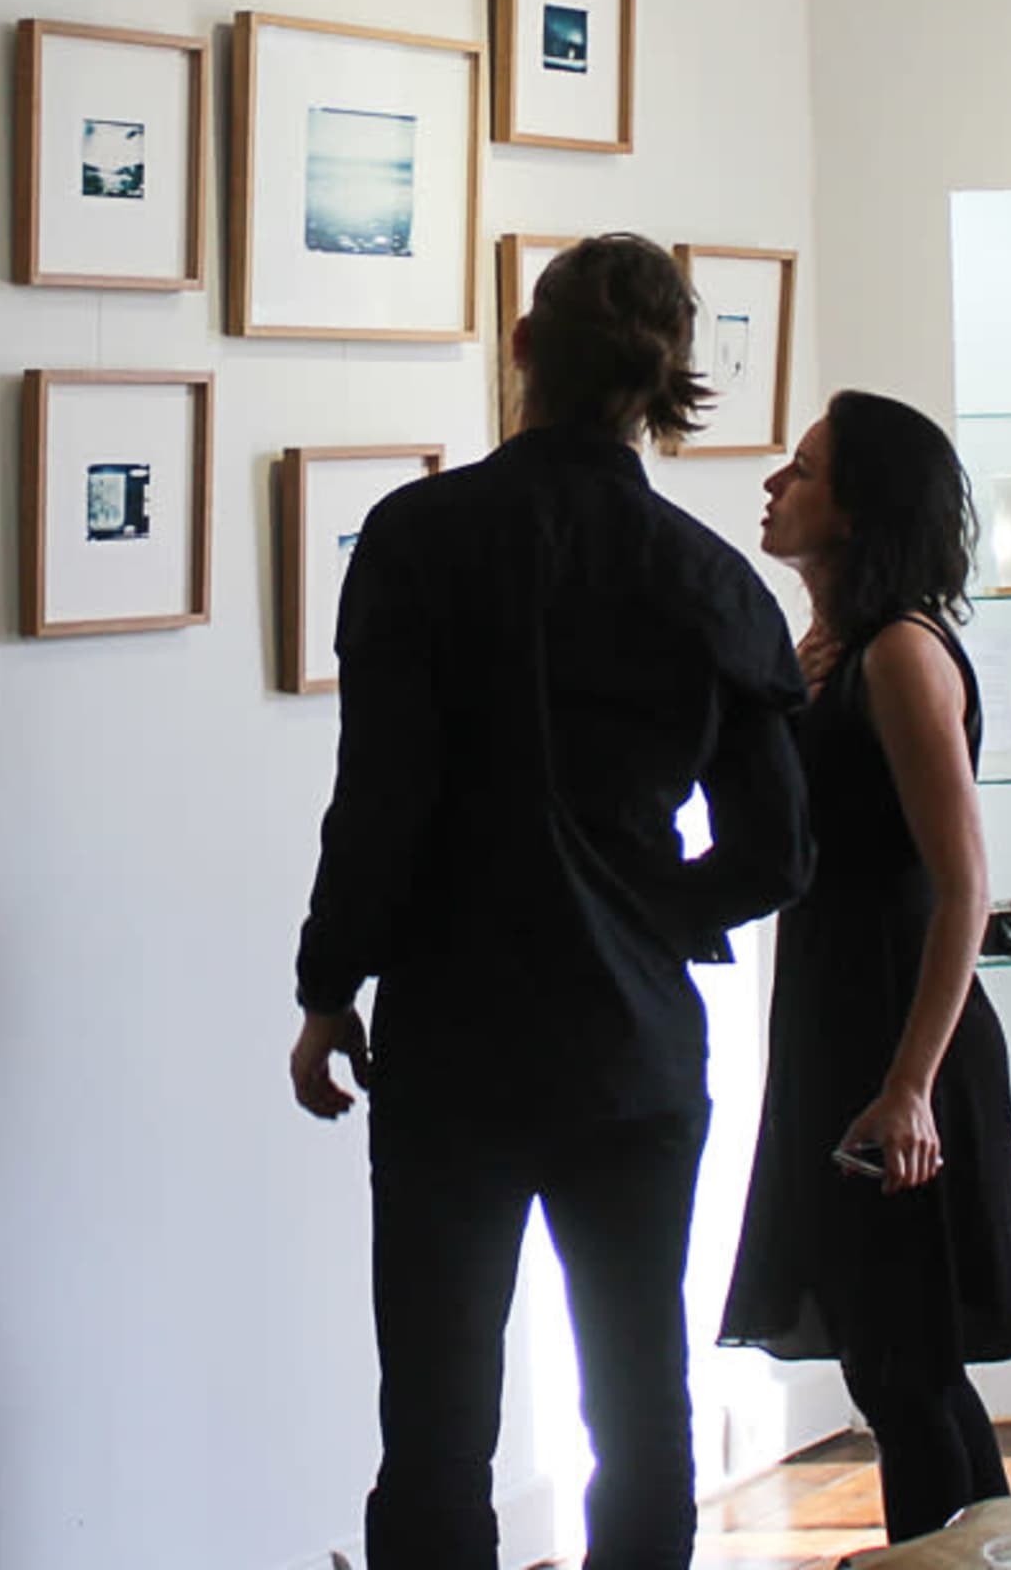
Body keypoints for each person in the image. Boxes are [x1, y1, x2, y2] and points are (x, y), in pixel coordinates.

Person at [289, 233, 812, 1570]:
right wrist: (660, 909)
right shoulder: (710, 580)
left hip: (454, 1038)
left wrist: (327, 986)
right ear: (663, 386)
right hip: (632, 1050)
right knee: (640, 1402)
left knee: (437, 1419)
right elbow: (777, 849)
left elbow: (381, 797)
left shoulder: (419, 537)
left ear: (521, 350)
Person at [720, 392, 1011, 1541]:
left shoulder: (901, 653)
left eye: (801, 470)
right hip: (843, 1024)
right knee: (897, 1366)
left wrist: (910, 1085)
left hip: (903, 1041)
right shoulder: (836, 652)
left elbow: (962, 885)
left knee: (905, 1370)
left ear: (855, 512)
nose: (773, 485)